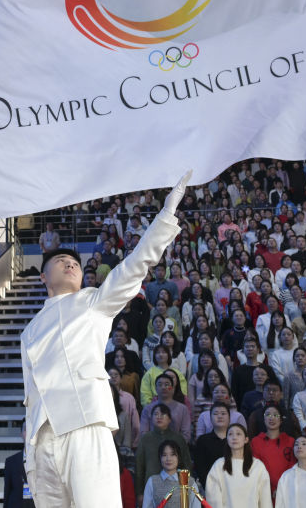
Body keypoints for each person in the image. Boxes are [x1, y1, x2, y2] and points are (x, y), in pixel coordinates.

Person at [21, 172, 189, 507]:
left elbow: (134, 266)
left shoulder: (93, 301)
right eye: (61, 262)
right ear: (43, 277)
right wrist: (30, 447)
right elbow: (30, 392)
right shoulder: (28, 331)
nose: (70, 265)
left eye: (75, 263)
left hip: (85, 422)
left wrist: (165, 217)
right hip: (42, 438)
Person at [204, 423, 273, 508]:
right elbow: (213, 498)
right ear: (227, 439)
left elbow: (265, 499)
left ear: (246, 439)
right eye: (230, 434)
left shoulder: (257, 466)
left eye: (238, 434)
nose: (234, 437)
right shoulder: (219, 465)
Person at [136, 404, 193, 498]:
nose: (159, 417)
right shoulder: (145, 439)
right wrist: (139, 493)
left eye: (163, 414)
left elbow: (186, 464)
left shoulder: (178, 439)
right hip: (151, 487)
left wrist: (187, 487)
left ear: (170, 419)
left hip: (176, 487)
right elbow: (139, 467)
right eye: (156, 414)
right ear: (151, 418)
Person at [250, 405, 297, 497]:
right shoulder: (255, 441)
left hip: (287, 490)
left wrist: (282, 488)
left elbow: (293, 468)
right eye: (268, 415)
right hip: (263, 491)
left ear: (281, 420)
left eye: (275, 415)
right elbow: (256, 468)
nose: (272, 418)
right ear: (264, 420)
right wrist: (268, 489)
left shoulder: (291, 441)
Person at [141, 440, 202, 508]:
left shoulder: (190, 482)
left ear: (178, 457)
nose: (168, 459)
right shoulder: (152, 481)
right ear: (160, 458)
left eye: (173, 454)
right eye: (164, 455)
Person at [194, 402, 231, 487]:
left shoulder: (235, 440)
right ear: (210, 418)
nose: (219, 416)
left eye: (223, 413)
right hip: (210, 487)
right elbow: (200, 468)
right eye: (215, 414)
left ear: (229, 418)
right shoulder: (203, 440)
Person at [4, 426, 35, 508]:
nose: (28, 432)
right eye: (25, 429)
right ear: (21, 434)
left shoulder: (44, 460)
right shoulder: (10, 461)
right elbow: (7, 491)